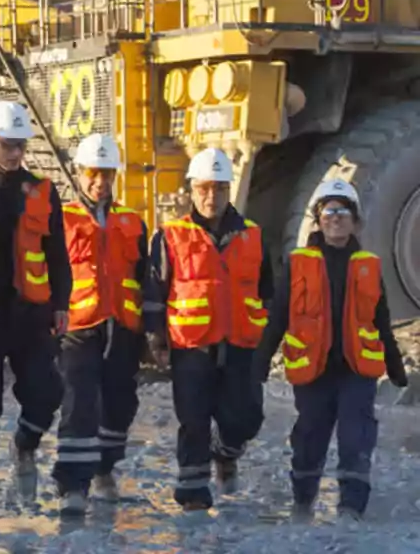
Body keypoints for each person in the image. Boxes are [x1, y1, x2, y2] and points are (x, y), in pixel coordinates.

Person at [255, 178, 407, 520]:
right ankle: (303, 501)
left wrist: (395, 365)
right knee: (310, 438)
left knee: (357, 438)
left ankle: (351, 509)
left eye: (342, 211)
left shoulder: (369, 264)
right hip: (314, 370)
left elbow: (381, 319)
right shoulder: (298, 263)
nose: (335, 217)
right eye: (328, 211)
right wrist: (260, 361)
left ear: (355, 220)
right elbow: (279, 315)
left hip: (357, 371)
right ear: (318, 219)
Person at [0, 100, 71, 509]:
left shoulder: (42, 191)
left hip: (30, 314)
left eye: (20, 145)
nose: (15, 153)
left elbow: (58, 253)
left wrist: (61, 303)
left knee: (47, 390)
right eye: (7, 145)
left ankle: (25, 444)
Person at [145, 147, 274, 511]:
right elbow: (155, 290)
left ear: (229, 190)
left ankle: (226, 452)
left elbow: (267, 291)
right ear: (191, 190)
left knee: (246, 417)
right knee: (194, 420)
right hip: (191, 346)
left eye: (218, 188)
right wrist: (155, 336)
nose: (210, 196)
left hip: (239, 345)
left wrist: (261, 335)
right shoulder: (170, 237)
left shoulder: (253, 236)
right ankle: (192, 498)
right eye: (203, 188)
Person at [51, 133, 147, 514]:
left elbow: (145, 274)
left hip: (122, 325)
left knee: (122, 403)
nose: (100, 182)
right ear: (79, 173)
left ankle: (105, 468)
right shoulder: (61, 219)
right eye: (93, 173)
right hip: (78, 325)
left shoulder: (132, 221)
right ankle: (73, 484)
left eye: (107, 173)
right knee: (79, 402)